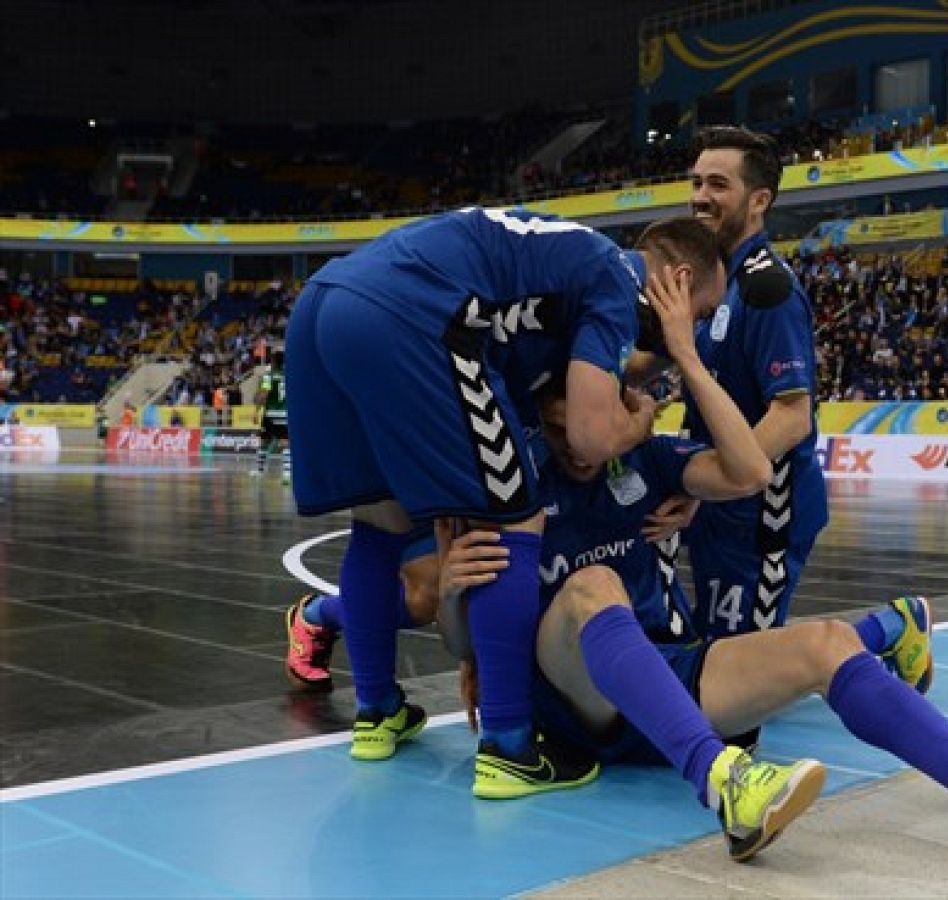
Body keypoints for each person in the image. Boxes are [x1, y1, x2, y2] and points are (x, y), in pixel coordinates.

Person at [441, 377, 948, 858]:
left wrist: (684, 354)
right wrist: (451, 598)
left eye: (588, 423)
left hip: (663, 673)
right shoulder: (516, 483)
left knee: (824, 641)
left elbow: (751, 469)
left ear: (621, 409)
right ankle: (724, 783)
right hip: (573, 698)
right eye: (558, 427)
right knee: (595, 585)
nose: (576, 443)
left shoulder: (642, 456)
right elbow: (454, 632)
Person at [283, 208, 714, 795]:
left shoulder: (559, 272)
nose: (699, 328)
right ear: (679, 283)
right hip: (413, 313)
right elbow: (589, 435)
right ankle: (510, 747)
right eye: (704, 313)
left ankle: (377, 709)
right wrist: (638, 428)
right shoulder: (614, 275)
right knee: (515, 516)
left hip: (325, 303)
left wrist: (482, 647)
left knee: (379, 520)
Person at [672, 125, 829, 639]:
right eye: (696, 183)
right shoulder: (717, 281)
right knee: (706, 652)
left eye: (718, 185)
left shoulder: (768, 288)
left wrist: (714, 485)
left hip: (764, 517)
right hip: (719, 507)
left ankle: (889, 629)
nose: (700, 198)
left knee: (738, 668)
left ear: (759, 199)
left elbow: (791, 415)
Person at [253, 349, 290, 482]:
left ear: (273, 361)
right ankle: (287, 474)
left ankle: (259, 470)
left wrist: (256, 410)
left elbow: (264, 395)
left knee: (264, 441)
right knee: (285, 443)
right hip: (285, 413)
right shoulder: (289, 375)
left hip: (270, 414)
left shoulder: (269, 376)